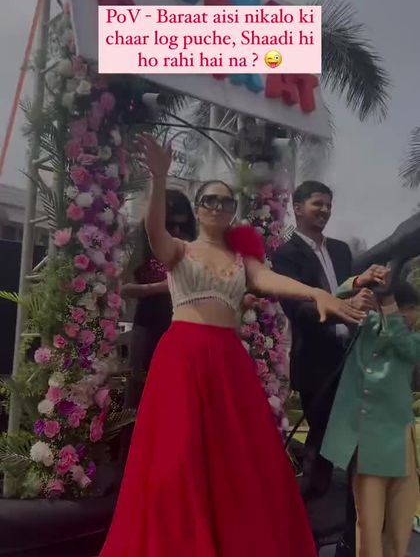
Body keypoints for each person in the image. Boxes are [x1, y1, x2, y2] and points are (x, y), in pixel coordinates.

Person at [99, 137, 364, 557]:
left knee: (238, 457)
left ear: (232, 211)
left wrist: (316, 292)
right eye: (210, 200)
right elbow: (154, 231)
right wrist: (160, 178)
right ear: (197, 207)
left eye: (226, 202)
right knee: (177, 454)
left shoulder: (244, 260)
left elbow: (271, 280)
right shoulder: (179, 250)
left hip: (227, 361)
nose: (218, 207)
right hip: (182, 358)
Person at [271, 180, 387, 554]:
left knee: (350, 451)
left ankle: (347, 537)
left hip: (352, 360)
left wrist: (364, 294)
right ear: (297, 207)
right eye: (317, 204)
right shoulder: (284, 256)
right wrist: (342, 311)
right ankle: (305, 531)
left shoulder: (340, 250)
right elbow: (298, 309)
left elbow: (351, 293)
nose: (324, 210)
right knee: (327, 447)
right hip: (316, 365)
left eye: (328, 205)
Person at [321, 279, 420, 557]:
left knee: (400, 529)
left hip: (401, 444)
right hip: (369, 443)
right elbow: (332, 301)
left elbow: (403, 344)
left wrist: (389, 307)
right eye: (410, 309)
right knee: (369, 528)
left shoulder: (411, 340)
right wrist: (358, 282)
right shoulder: (366, 329)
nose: (413, 317)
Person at [121, 190, 196, 409]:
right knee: (143, 387)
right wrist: (158, 288)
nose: (177, 231)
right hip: (149, 323)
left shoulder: (193, 245)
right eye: (170, 225)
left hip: (186, 324)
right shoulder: (141, 243)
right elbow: (123, 287)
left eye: (182, 225)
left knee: (181, 390)